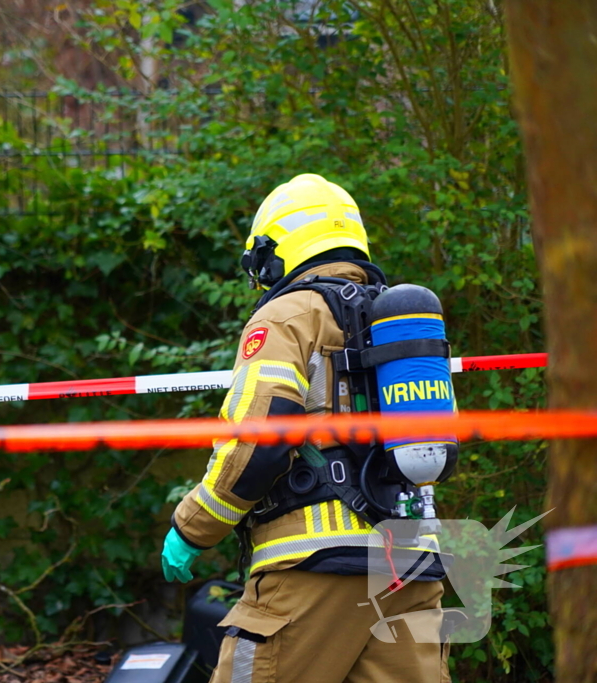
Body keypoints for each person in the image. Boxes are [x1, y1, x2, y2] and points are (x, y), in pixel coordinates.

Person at [162, 174, 451, 683]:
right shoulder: (397, 324)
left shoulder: (287, 314)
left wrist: (192, 528)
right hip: (412, 561)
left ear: (277, 250)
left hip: (314, 571)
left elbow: (258, 444)